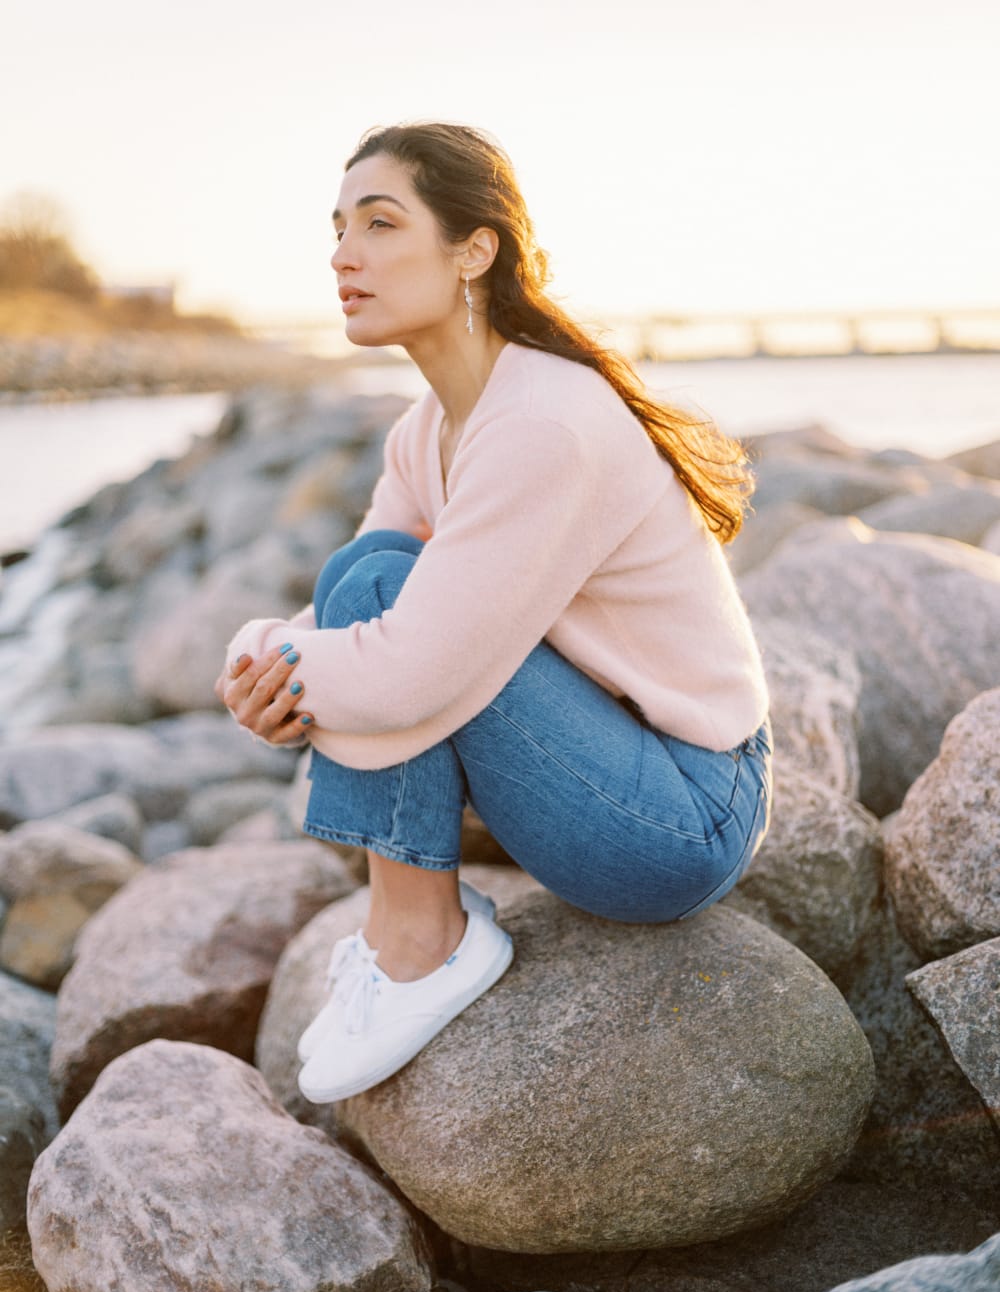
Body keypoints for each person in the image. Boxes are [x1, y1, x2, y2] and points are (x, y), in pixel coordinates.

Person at [217, 121, 772, 1106]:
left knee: (386, 596)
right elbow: (350, 603)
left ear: (475, 249)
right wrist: (260, 666)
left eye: (380, 224)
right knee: (372, 572)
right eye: (338, 229)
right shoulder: (425, 431)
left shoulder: (544, 420)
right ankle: (406, 930)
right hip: (589, 765)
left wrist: (286, 669)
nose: (344, 255)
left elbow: (402, 669)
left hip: (680, 813)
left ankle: (420, 941)